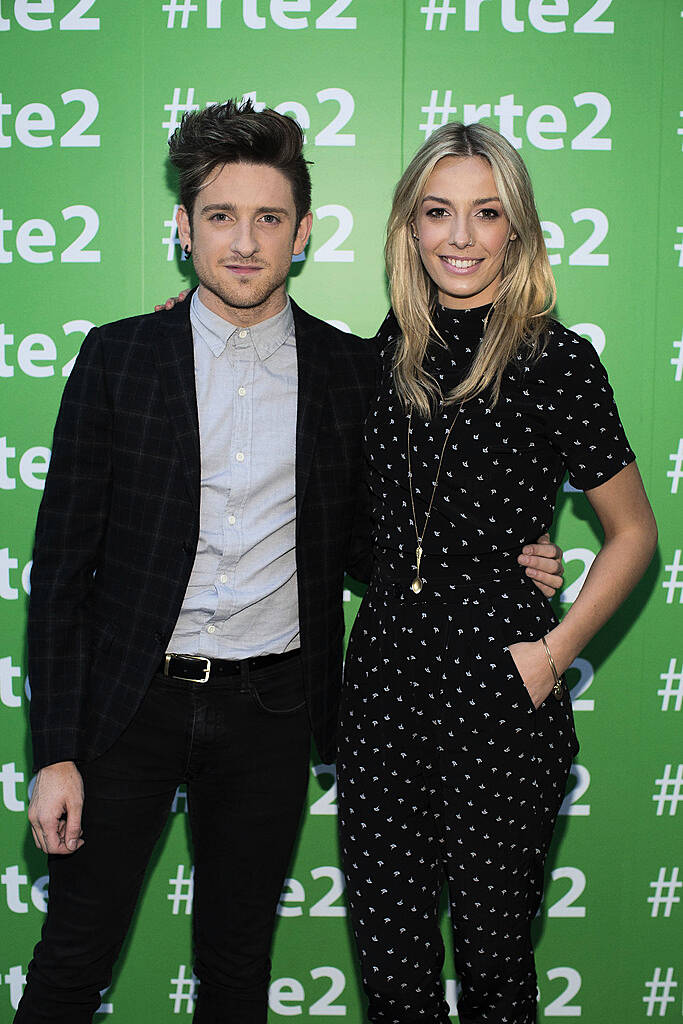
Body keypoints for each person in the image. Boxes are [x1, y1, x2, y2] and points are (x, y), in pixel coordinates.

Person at [17, 101, 564, 1024]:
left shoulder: (357, 371)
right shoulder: (118, 361)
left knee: (236, 971)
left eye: (268, 218)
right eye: (220, 217)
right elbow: (61, 572)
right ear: (183, 228)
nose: (243, 242)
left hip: (271, 713)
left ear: (302, 233)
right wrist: (54, 754)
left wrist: (501, 557)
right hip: (128, 709)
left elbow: (380, 532)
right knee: (71, 961)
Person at [336, 121, 657, 1024]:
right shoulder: (379, 355)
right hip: (385, 688)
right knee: (394, 977)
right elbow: (364, 540)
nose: (461, 237)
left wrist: (550, 655)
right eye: (438, 213)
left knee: (497, 973)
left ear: (516, 230)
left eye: (486, 214)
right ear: (408, 227)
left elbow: (633, 533)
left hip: (500, 687)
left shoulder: (556, 361)